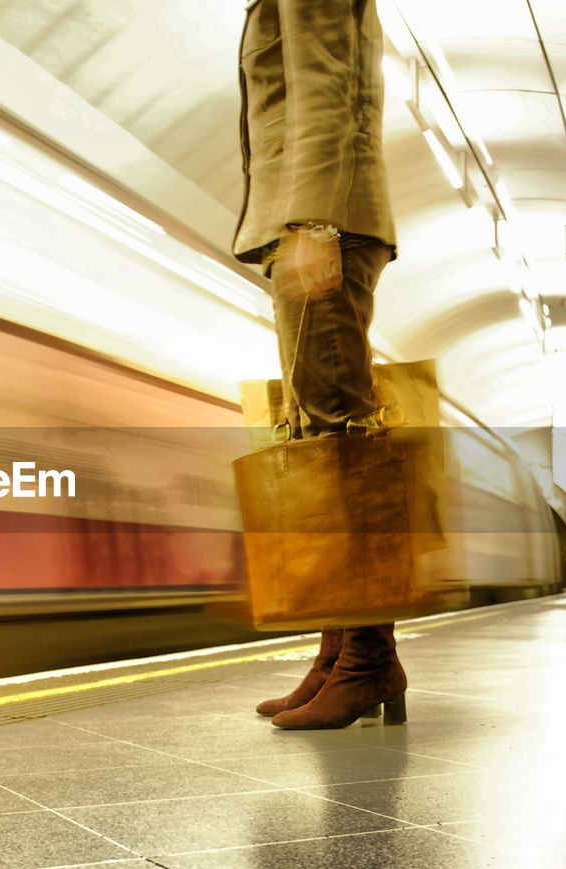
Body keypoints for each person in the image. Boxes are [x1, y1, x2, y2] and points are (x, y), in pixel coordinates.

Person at [233, 0, 406, 729]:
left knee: (339, 443)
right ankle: (340, 649)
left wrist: (314, 221)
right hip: (299, 218)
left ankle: (367, 658)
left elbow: (333, 79)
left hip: (320, 216)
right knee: (315, 440)